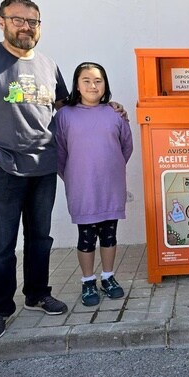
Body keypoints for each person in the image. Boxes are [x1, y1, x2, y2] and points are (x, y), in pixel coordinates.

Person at [0, 0, 126, 341]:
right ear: (1, 22)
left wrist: (110, 106)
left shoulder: (48, 65)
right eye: (18, 19)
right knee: (2, 244)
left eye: (33, 21)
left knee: (40, 239)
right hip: (1, 169)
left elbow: (68, 108)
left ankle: (37, 294)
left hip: (43, 169)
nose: (26, 26)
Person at [55, 62, 133, 307]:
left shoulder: (115, 113)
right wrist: (74, 177)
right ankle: (88, 280)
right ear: (77, 85)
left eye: (98, 80)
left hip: (110, 185)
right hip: (82, 187)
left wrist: (111, 168)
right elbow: (59, 152)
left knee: (109, 235)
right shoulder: (65, 115)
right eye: (86, 80)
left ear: (105, 85)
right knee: (86, 237)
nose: (93, 85)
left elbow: (126, 147)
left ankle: (108, 277)